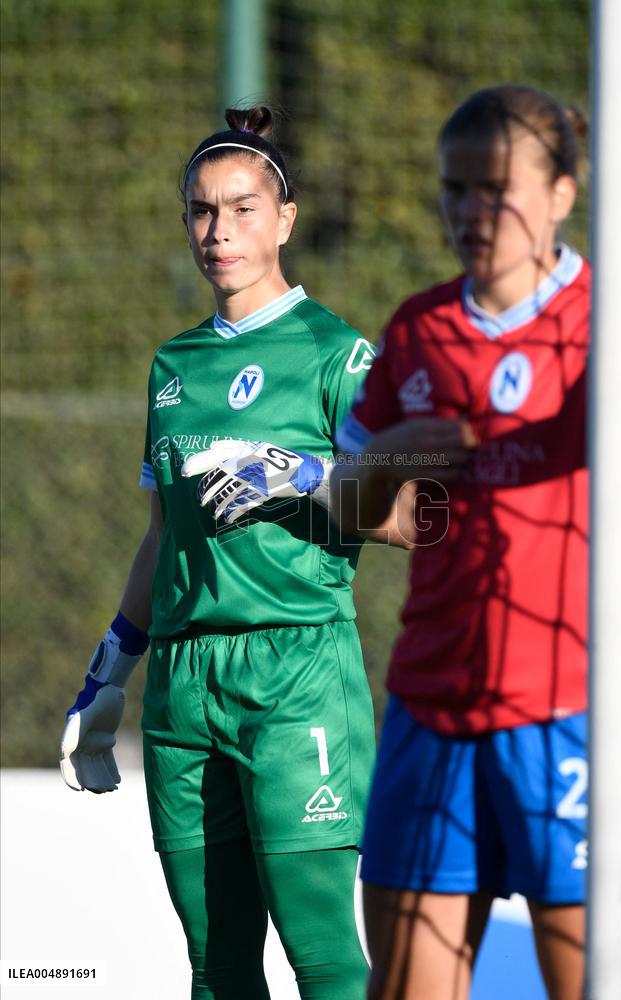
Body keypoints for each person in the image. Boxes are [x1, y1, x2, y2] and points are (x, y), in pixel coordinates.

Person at [59, 106, 379, 1000]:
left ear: (285, 218)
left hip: (298, 671)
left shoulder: (340, 355)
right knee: (217, 967)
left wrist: (301, 475)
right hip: (184, 687)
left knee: (322, 958)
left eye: (242, 209)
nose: (219, 231)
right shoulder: (173, 365)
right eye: (202, 211)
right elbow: (162, 536)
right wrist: (110, 671)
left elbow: (419, 513)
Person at [330, 84, 589, 1000]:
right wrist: (402, 456)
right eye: (454, 189)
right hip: (432, 705)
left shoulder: (612, 327)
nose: (472, 212)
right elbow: (347, 508)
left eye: (496, 188)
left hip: (571, 711)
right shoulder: (419, 327)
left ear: (563, 191)